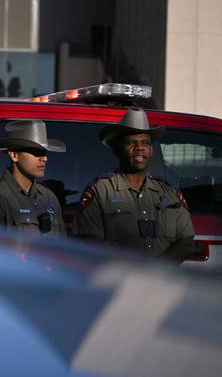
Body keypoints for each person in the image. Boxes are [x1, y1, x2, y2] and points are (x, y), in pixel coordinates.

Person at [72, 107, 198, 262]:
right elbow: (89, 243)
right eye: (131, 142)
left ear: (151, 150)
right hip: (118, 281)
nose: (139, 147)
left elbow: (186, 241)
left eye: (145, 142)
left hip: (162, 281)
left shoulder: (169, 192)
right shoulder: (100, 190)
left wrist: (159, 267)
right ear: (117, 150)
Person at [0, 120, 66, 237]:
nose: (44, 158)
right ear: (14, 155)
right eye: (35, 152)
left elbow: (62, 247)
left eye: (44, 152)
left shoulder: (49, 198)